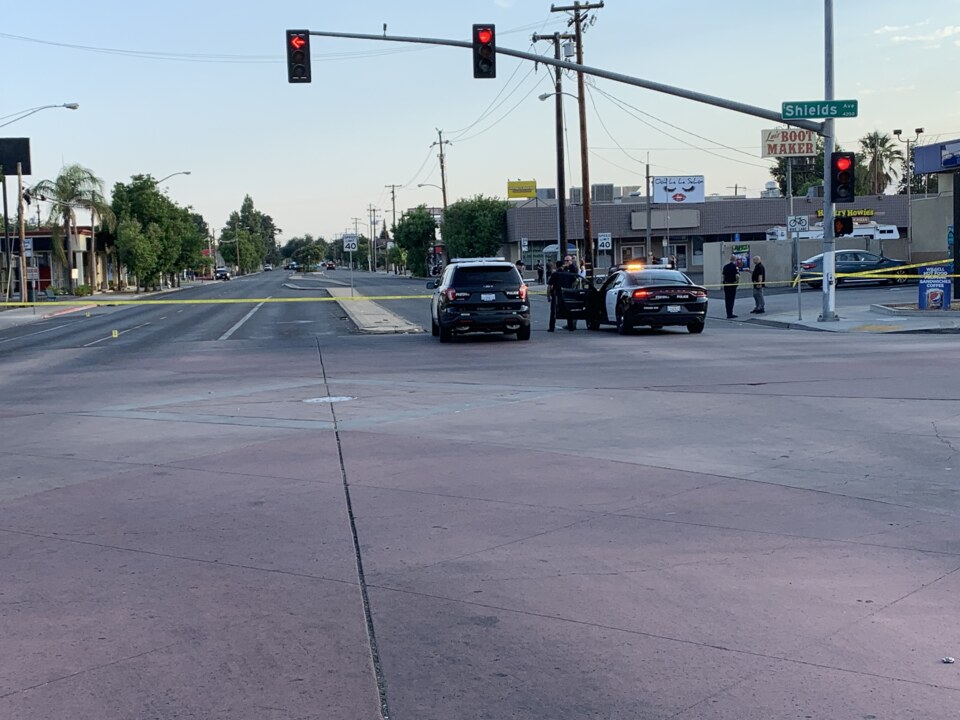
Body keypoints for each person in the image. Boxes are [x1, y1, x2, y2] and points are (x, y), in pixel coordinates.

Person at [547, 255, 580, 332]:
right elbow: (575, 281)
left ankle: (552, 327)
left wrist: (548, 296)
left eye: (567, 261)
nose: (566, 262)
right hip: (566, 294)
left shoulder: (555, 274)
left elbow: (549, 286)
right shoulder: (567, 273)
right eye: (565, 261)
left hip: (557, 294)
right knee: (568, 310)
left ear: (556, 266)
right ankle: (571, 326)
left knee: (553, 311)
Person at [721, 254, 740, 319]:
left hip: (726, 284)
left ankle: (728, 313)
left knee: (727, 299)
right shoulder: (735, 267)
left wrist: (723, 282)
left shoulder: (725, 266)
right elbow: (737, 276)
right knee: (731, 299)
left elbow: (723, 276)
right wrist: (737, 282)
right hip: (732, 284)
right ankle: (730, 313)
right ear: (735, 260)